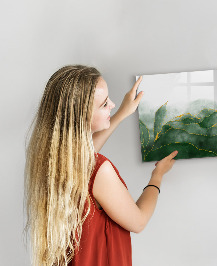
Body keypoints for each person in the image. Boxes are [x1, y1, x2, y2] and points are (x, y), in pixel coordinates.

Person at [24, 65, 178, 266]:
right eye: (105, 104)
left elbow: (86, 157)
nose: (113, 104)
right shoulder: (100, 170)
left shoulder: (53, 159)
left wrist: (122, 113)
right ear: (82, 117)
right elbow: (138, 221)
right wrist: (157, 176)